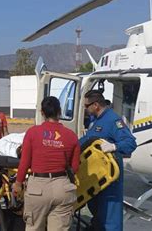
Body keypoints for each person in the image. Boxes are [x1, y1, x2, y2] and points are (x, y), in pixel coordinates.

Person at [12, 96, 80, 231]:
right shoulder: (71, 135)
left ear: (42, 113)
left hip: (38, 188)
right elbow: (75, 167)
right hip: (63, 187)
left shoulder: (32, 133)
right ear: (60, 112)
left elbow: (25, 162)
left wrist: (18, 183)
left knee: (34, 227)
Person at [79, 90, 137, 231]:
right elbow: (86, 141)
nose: (85, 109)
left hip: (109, 180)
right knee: (97, 213)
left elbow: (130, 143)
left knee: (110, 218)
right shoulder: (96, 120)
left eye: (87, 106)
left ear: (96, 105)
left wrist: (114, 146)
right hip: (95, 178)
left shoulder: (113, 120)